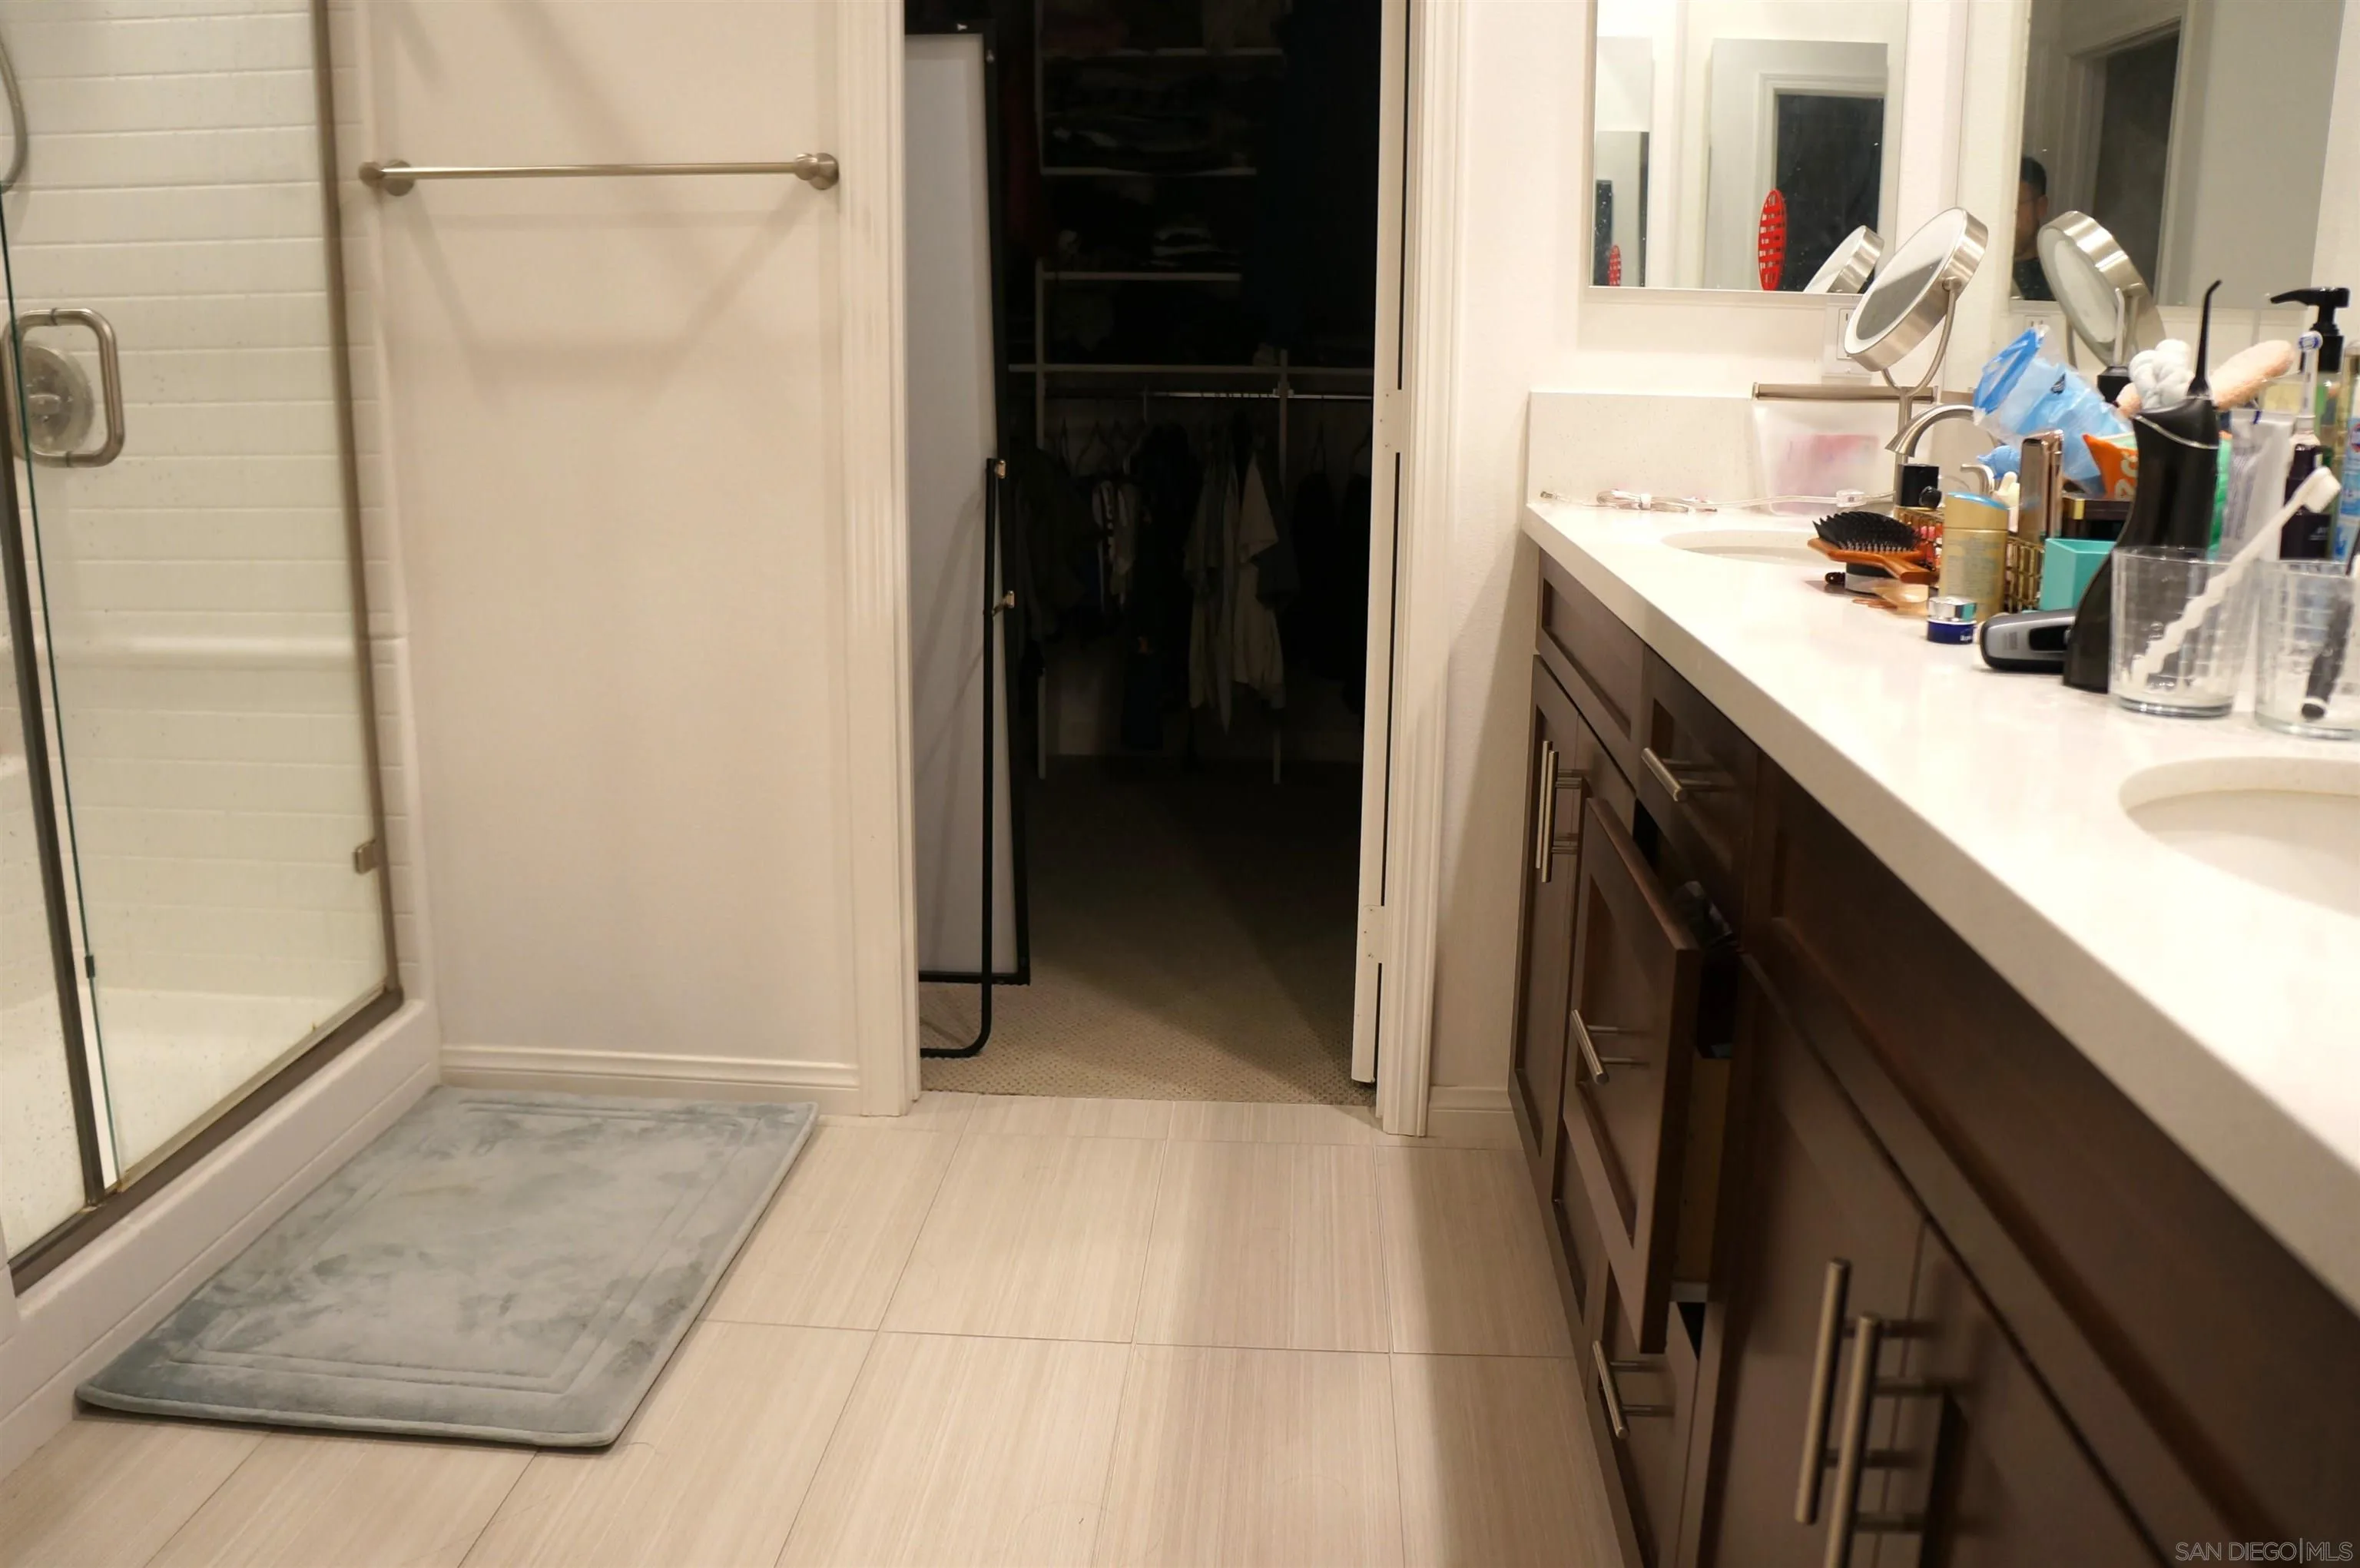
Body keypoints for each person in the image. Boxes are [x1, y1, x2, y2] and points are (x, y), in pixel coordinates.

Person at [2014, 156, 2053, 300]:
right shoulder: (1977, 272)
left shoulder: (2058, 279)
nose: (2008, 217)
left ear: (2040, 207)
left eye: (2016, 205)